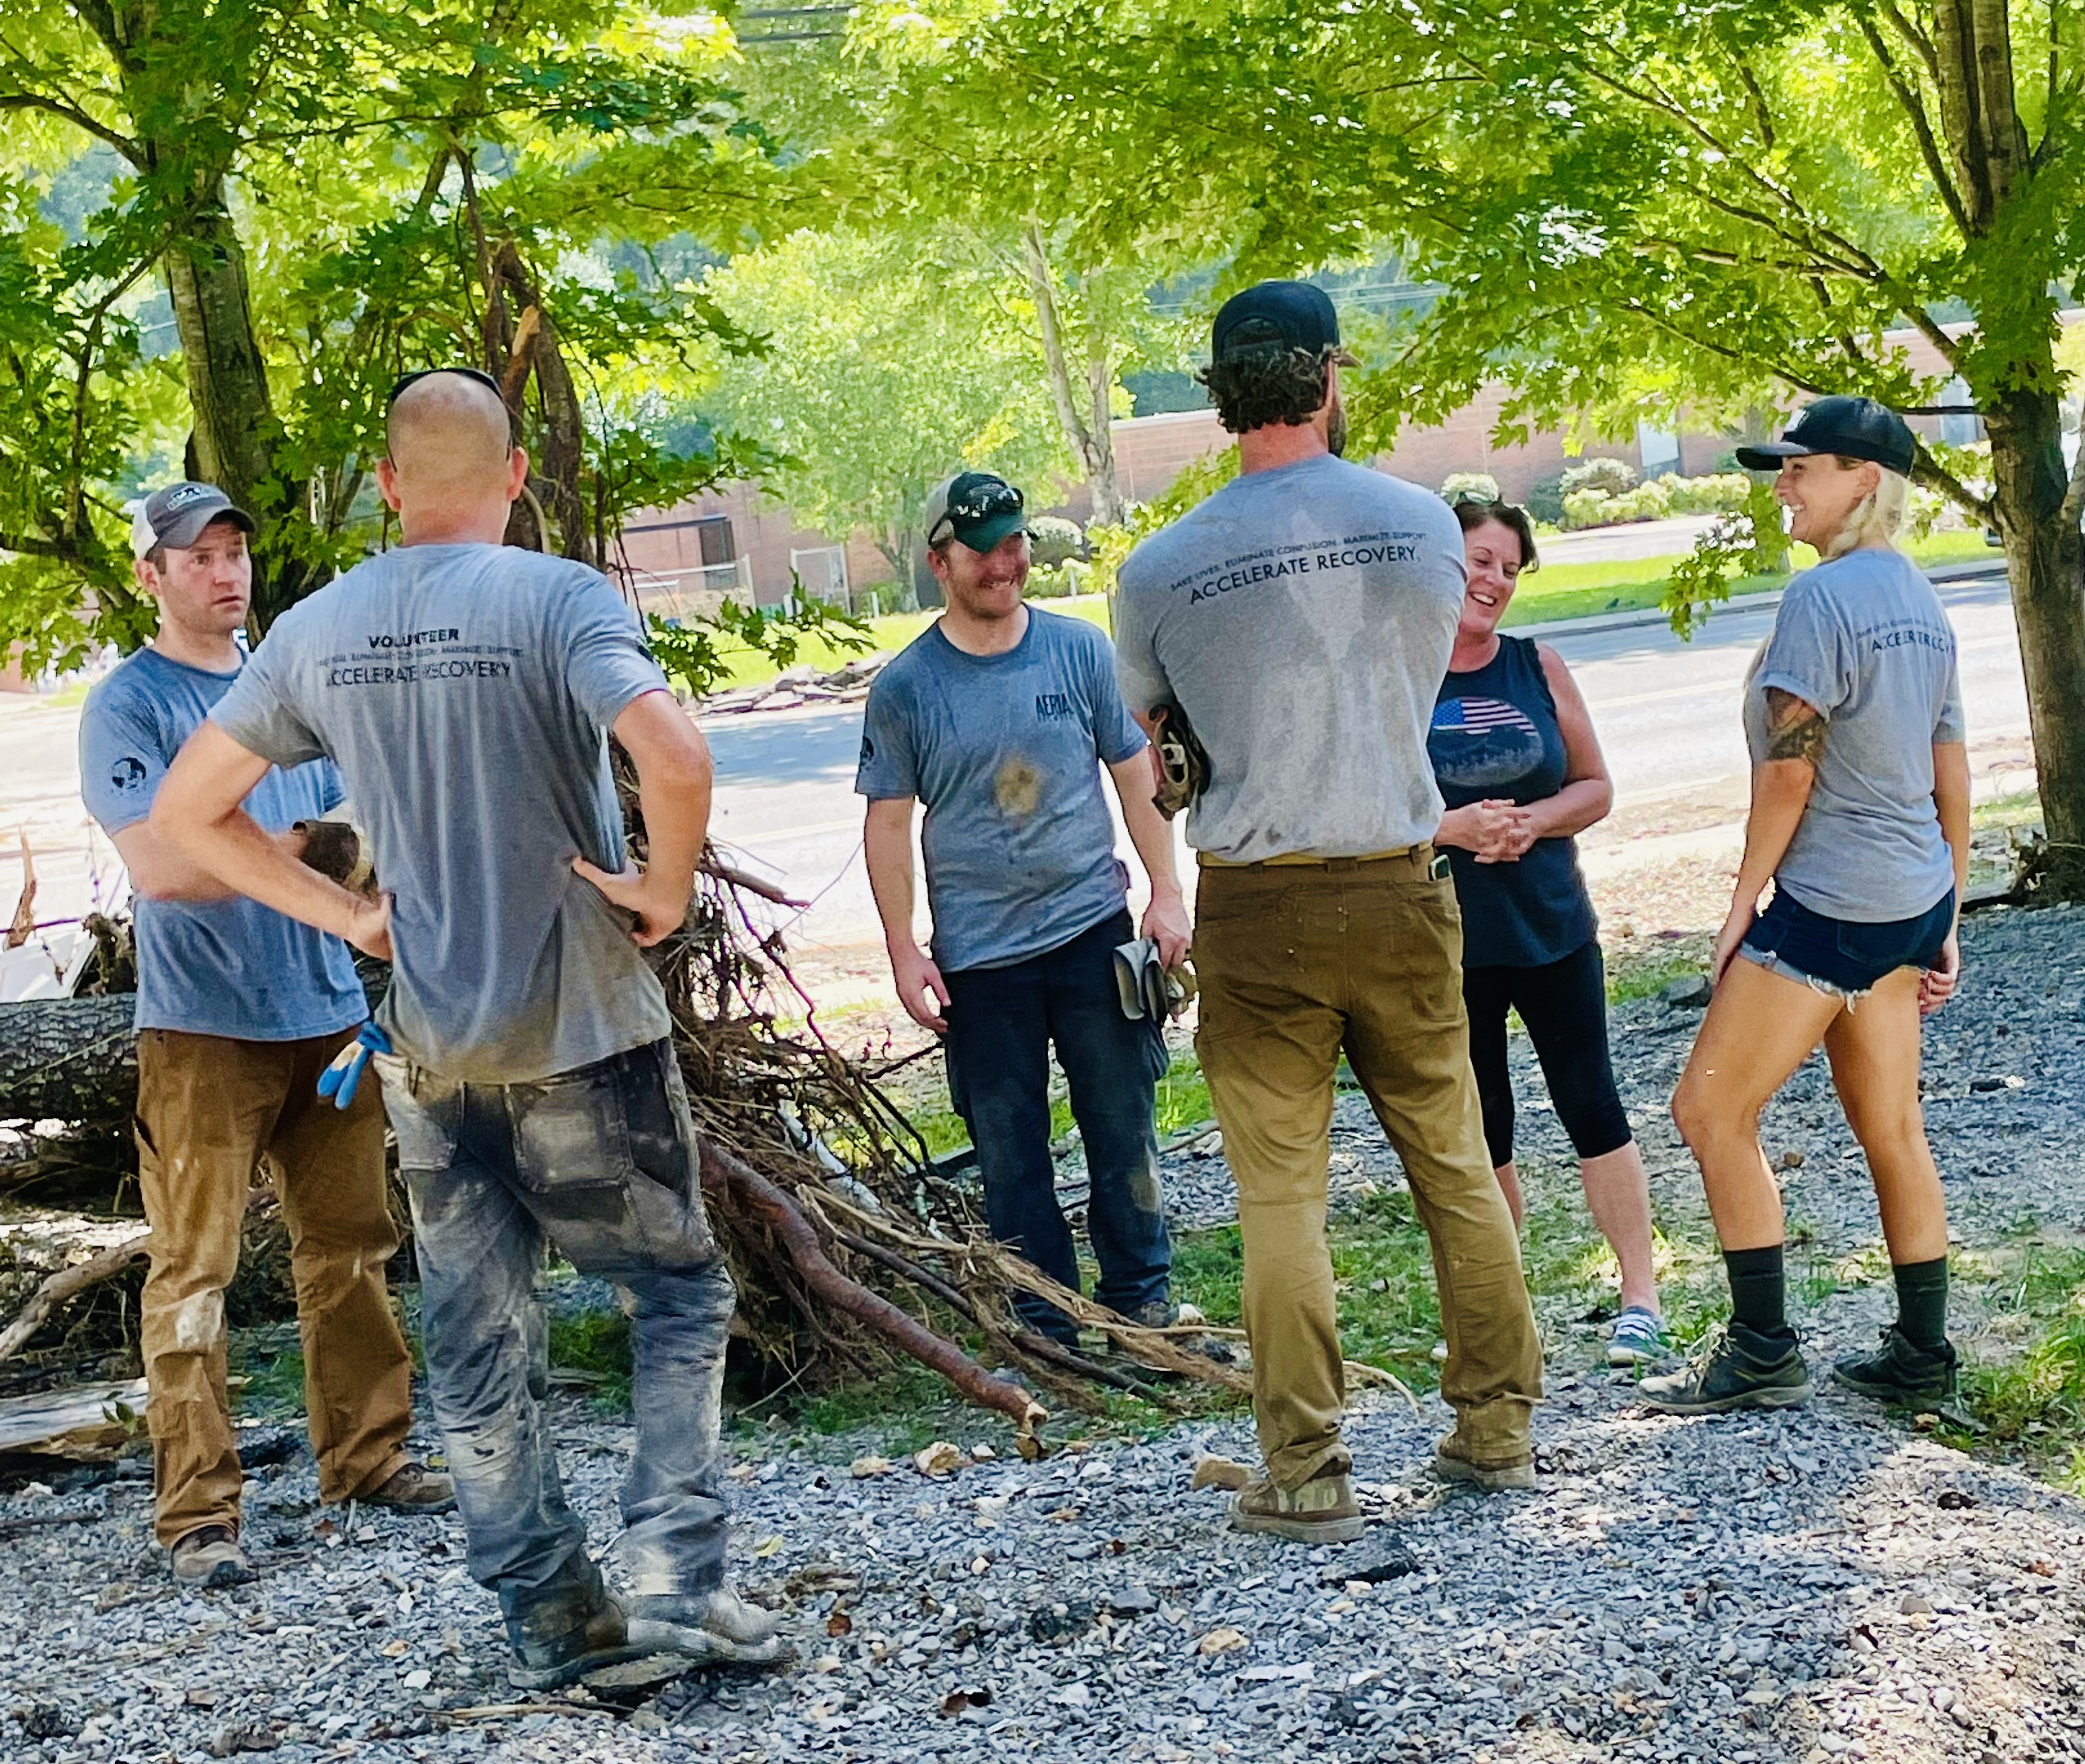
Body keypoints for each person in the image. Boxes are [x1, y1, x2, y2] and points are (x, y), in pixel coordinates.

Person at [150, 370, 780, 1687]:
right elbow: (674, 754)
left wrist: (348, 916)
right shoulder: (557, 598)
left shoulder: (316, 629)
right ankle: (673, 1579)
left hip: (431, 1050)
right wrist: (663, 889)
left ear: (387, 484)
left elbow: (188, 816)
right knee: (673, 1291)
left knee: (481, 1334)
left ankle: (550, 1619)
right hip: (584, 1032)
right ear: (515, 477)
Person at [1115, 281, 1544, 1541]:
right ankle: (1496, 1427)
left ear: (1218, 395)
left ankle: (1304, 1469)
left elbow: (1153, 753)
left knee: (1279, 1197)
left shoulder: (1157, 568)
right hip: (1402, 879)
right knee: (1453, 1160)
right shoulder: (1423, 526)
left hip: (1256, 904)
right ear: (1327, 375)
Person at [78, 482, 452, 1591]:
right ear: (150, 575)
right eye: (197, 556)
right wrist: (295, 848)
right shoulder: (129, 706)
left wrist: (269, 843)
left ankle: (369, 1456)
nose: (223, 571)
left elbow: (364, 832)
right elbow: (165, 867)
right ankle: (198, 1513)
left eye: (234, 550)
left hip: (329, 1015)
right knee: (194, 1271)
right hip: (201, 1033)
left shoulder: (292, 688)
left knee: (353, 1249)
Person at [1642, 396, 1969, 1416]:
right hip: (1907, 900)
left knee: (1709, 1110)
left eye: (1801, 467)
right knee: (1894, 1126)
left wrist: (1742, 907)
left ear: (1865, 480)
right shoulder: (1920, 598)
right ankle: (1922, 1355)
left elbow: (1790, 772)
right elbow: (1949, 768)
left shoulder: (1822, 599)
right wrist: (1948, 912)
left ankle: (1761, 1349)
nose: (1782, 484)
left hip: (1832, 905)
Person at [858, 471, 1187, 1344]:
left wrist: (1166, 891)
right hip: (981, 959)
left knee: (1124, 1125)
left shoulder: (1079, 650)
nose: (1004, 564)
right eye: (983, 550)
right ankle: (1046, 1321)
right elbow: (887, 822)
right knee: (1010, 1153)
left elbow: (1134, 771)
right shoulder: (906, 688)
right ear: (940, 562)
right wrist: (904, 950)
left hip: (1093, 931)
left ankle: (1142, 1299)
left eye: (1014, 543)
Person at [1429, 498, 1666, 1366]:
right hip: (1449, 943)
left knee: (1591, 1103)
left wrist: (1534, 820)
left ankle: (1640, 1296)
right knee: (1482, 1125)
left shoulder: (1538, 665)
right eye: (1478, 560)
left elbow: (1595, 786)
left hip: (1553, 928)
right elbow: (1369, 814)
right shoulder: (1399, 673)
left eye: (1509, 568)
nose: (1493, 581)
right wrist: (1451, 829)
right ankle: (1505, 1311)